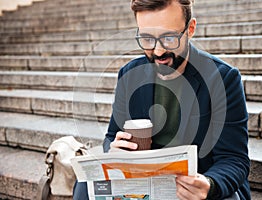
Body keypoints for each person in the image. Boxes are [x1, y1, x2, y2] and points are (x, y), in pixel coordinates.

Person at [73, 0, 251, 199]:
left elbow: (234, 159)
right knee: (84, 187)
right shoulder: (129, 74)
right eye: (147, 39)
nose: (158, 52)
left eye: (169, 38)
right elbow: (112, 135)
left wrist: (209, 184)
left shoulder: (223, 78)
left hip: (194, 186)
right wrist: (114, 150)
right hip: (144, 183)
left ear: (190, 29)